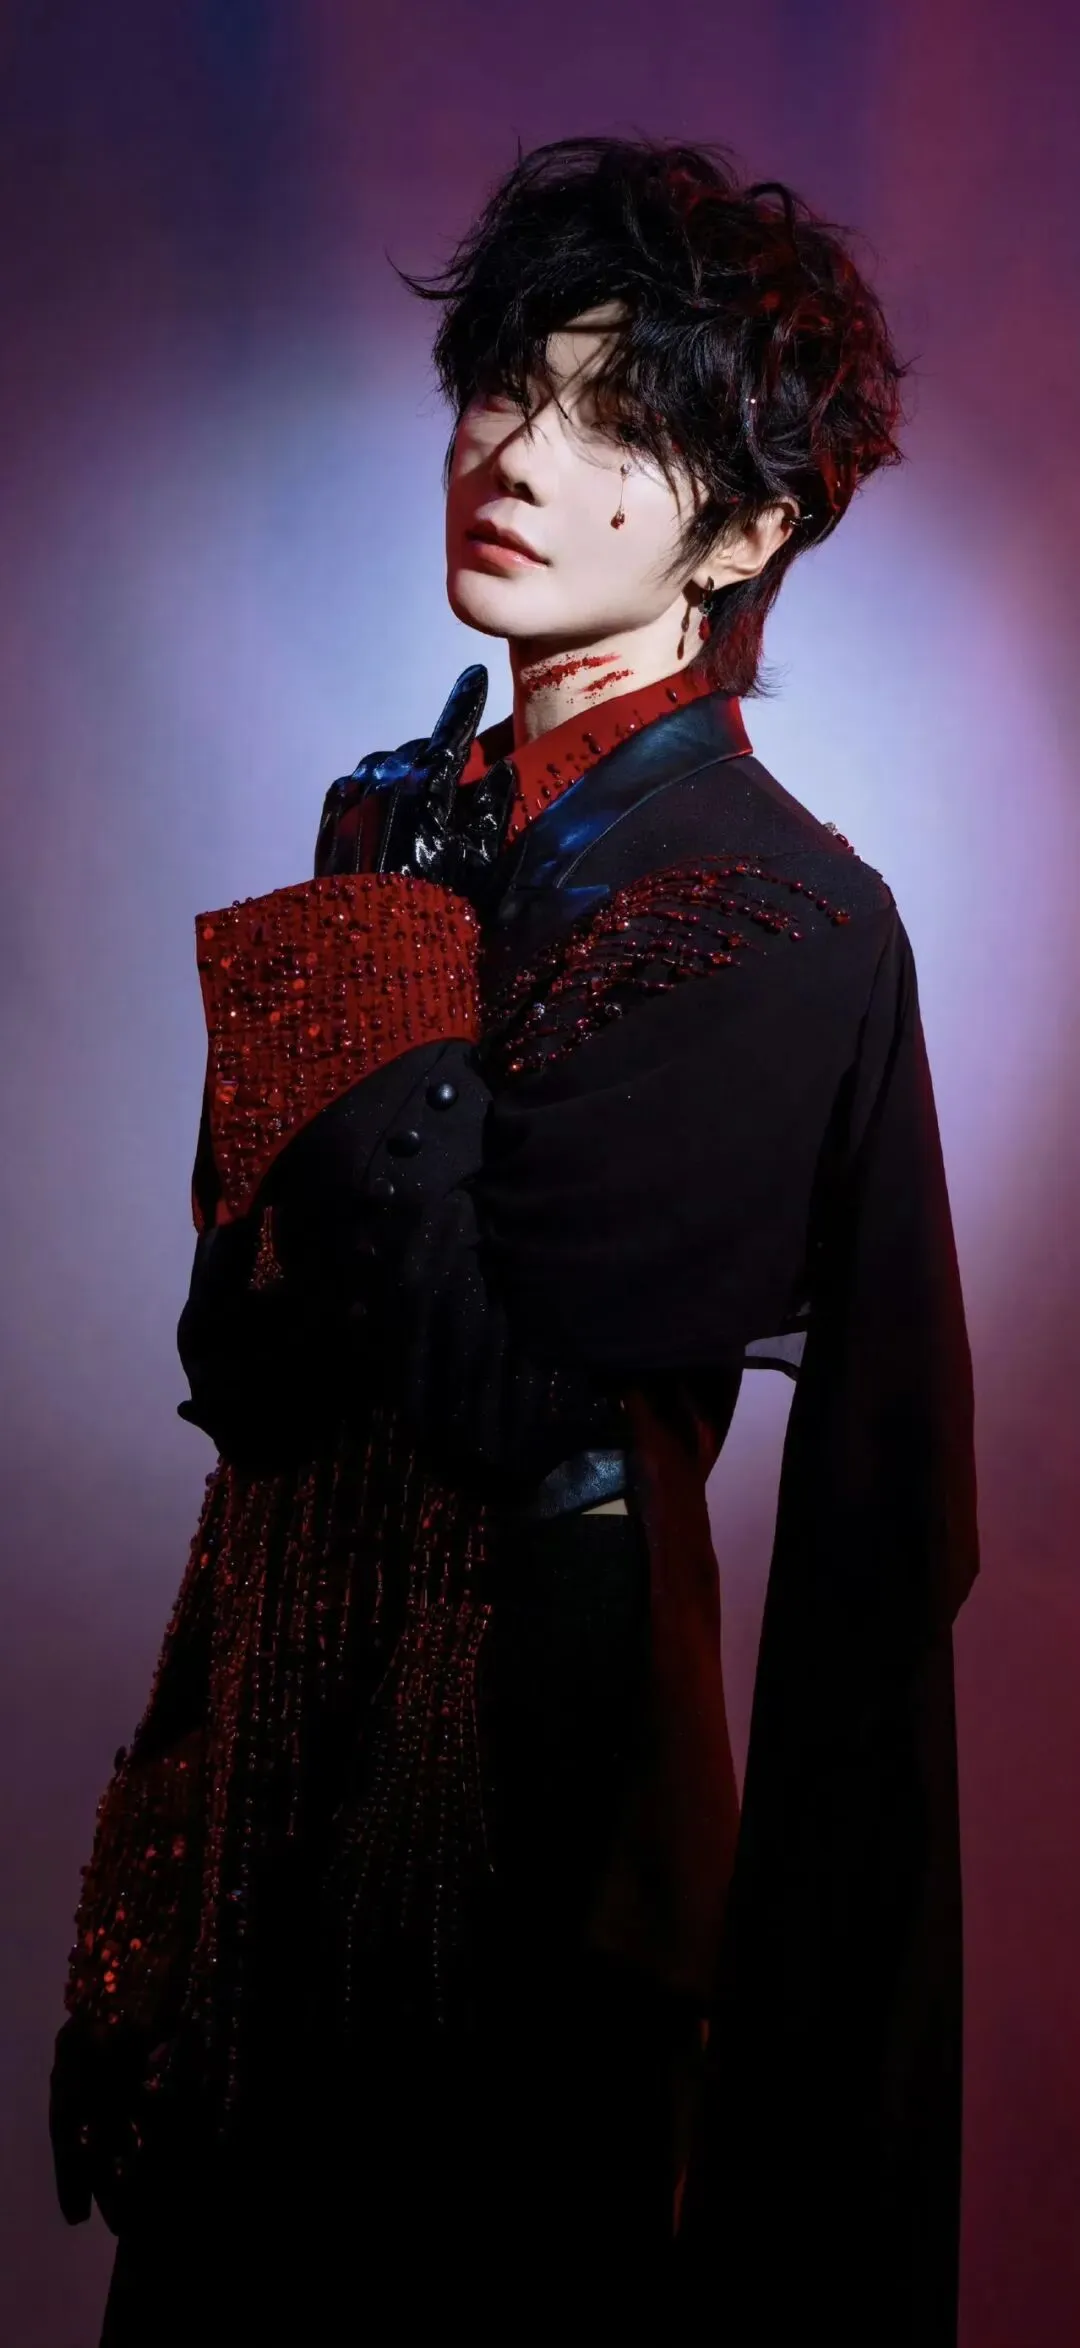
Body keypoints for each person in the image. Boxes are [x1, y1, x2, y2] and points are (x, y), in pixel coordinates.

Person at [50, 138, 979, 2347]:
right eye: (505, 386)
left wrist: (369, 968)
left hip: (521, 1837)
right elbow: (243, 1365)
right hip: (276, 1779)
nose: (518, 455)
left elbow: (502, 1387)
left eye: (616, 418)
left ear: (745, 532)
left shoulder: (780, 909)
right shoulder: (398, 809)